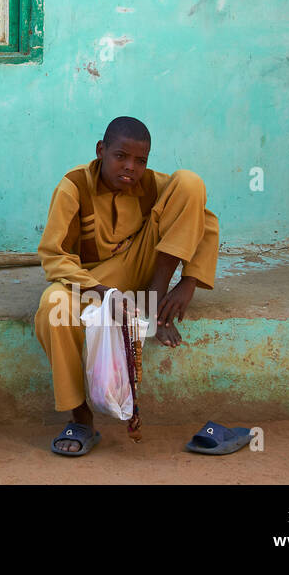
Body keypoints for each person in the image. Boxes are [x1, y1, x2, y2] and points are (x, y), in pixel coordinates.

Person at [33, 115, 219, 456]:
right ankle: (81, 418)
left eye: (140, 160)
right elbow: (53, 256)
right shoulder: (73, 187)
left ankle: (153, 305)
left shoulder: (150, 184)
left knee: (190, 183)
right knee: (52, 306)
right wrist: (103, 294)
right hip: (97, 281)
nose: (130, 168)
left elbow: (201, 218)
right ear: (101, 151)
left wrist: (188, 282)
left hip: (147, 273)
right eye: (121, 156)